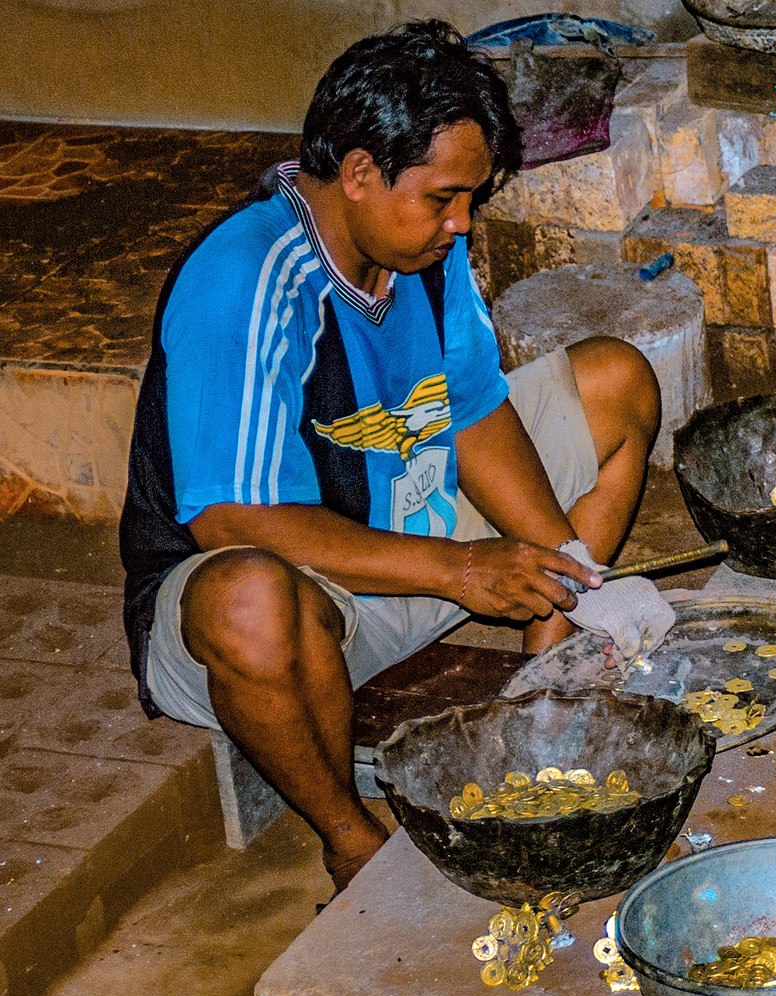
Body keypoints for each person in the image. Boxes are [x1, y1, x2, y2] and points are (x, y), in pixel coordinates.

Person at [118, 20, 675, 892]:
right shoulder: (250, 279)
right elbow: (230, 518)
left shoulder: (418, 248)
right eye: (442, 199)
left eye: (469, 201)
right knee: (247, 598)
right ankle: (350, 837)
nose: (459, 225)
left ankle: (542, 691)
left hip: (414, 545)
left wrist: (565, 570)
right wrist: (460, 570)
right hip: (307, 606)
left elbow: (475, 409)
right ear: (361, 173)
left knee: (613, 381)